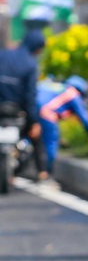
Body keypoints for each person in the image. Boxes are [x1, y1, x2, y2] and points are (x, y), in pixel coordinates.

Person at [0, 29, 47, 182]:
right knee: (37, 135)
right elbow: (30, 97)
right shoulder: (30, 64)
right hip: (16, 112)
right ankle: (42, 172)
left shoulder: (3, 55)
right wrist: (34, 122)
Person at [36, 75, 88, 176]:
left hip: (31, 109)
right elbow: (85, 119)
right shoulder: (72, 94)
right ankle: (46, 173)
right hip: (46, 114)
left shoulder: (56, 87)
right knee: (51, 142)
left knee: (32, 136)